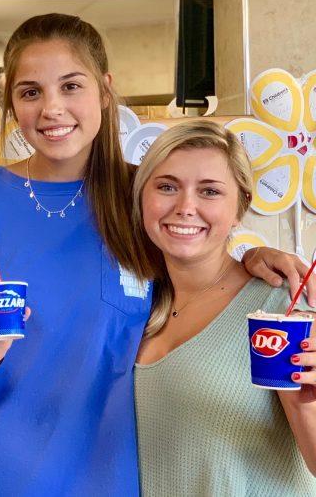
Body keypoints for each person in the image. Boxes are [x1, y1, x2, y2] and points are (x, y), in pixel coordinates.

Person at [0, 13, 315, 495]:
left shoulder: (148, 200)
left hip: (105, 481)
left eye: (71, 86)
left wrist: (252, 258)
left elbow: (201, 265)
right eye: (30, 92)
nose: (52, 109)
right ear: (11, 103)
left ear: (105, 90)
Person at [133, 119, 316, 496]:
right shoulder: (135, 306)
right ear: (142, 198)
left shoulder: (281, 308)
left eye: (210, 191)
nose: (185, 207)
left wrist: (307, 408)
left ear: (240, 207)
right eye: (167, 186)